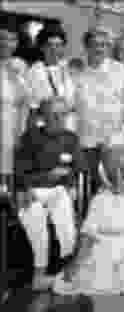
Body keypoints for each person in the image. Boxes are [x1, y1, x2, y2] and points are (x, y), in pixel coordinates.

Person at [53, 144, 124, 295]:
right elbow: (87, 237)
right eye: (121, 168)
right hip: (100, 252)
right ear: (112, 172)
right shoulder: (101, 199)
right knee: (88, 283)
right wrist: (74, 266)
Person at [14, 97, 84, 289]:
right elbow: (20, 172)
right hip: (31, 191)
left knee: (67, 227)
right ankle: (39, 276)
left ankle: (69, 273)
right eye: (54, 115)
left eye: (63, 115)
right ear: (43, 117)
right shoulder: (29, 138)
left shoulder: (71, 138)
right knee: (37, 226)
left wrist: (70, 184)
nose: (59, 119)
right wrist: (30, 186)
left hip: (58, 190)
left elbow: (77, 168)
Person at [74, 25, 124, 195]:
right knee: (90, 189)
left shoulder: (119, 69)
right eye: (95, 44)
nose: (99, 48)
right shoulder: (76, 71)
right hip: (87, 140)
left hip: (114, 141)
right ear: (86, 47)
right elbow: (71, 105)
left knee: (117, 186)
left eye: (104, 45)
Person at [25, 23, 77, 132]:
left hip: (69, 127)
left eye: (58, 45)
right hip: (45, 129)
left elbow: (74, 101)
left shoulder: (68, 68)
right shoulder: (35, 71)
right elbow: (32, 110)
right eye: (49, 45)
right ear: (42, 47)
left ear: (63, 47)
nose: (54, 49)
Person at [0, 27, 31, 194]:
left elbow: (25, 101)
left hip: (12, 124)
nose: (6, 43)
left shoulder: (20, 65)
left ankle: (8, 212)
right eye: (2, 38)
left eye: (11, 40)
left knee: (9, 170)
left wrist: (22, 130)